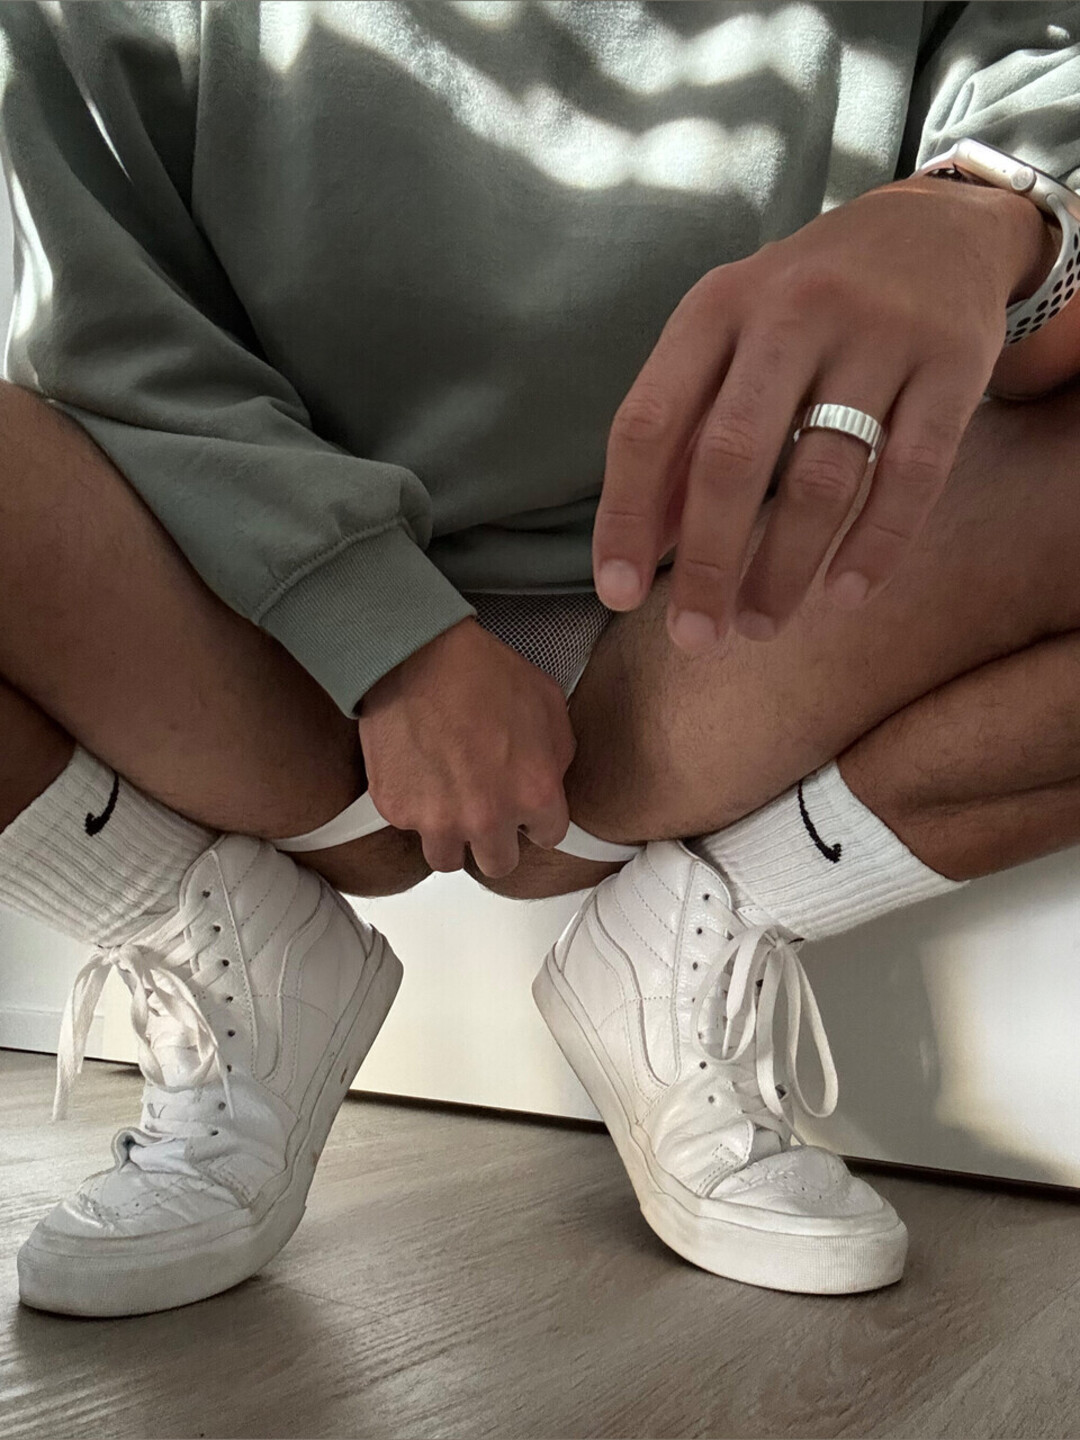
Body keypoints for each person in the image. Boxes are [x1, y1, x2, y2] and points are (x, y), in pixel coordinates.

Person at [0, 0, 1078, 1316]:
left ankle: (683, 940)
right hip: (251, 632)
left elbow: (1040, 168)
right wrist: (382, 634)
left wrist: (990, 215)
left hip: (709, 620)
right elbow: (99, 312)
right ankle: (221, 944)